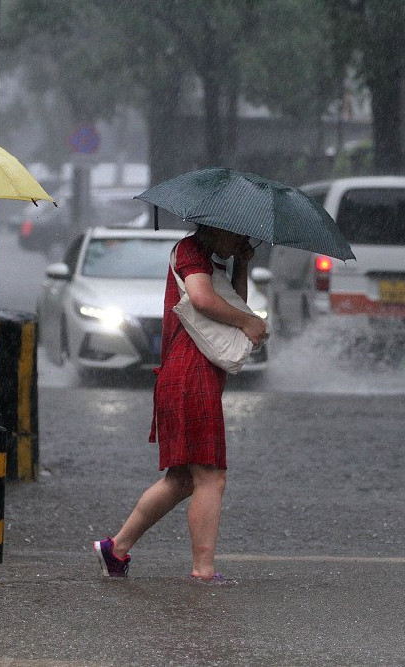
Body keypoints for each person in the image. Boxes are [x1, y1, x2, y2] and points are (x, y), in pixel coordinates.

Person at [93, 224, 268, 583]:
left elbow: (234, 303)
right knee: (211, 476)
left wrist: (242, 265)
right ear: (214, 227)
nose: (242, 240)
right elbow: (203, 299)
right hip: (190, 374)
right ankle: (203, 570)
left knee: (182, 479)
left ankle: (116, 549)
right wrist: (249, 322)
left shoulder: (213, 260)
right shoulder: (191, 251)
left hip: (189, 374)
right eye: (237, 235)